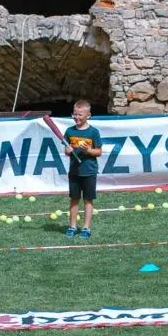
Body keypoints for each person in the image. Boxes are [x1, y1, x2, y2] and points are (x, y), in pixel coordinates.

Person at [63, 100, 103, 240]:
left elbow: (98, 152)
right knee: (74, 199)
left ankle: (86, 228)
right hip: (74, 171)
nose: (76, 117)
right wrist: (68, 151)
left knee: (88, 199)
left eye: (80, 115)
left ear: (88, 115)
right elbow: (66, 150)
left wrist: (88, 150)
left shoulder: (94, 132)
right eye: (74, 114)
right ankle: (72, 227)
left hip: (89, 171)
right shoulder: (69, 131)